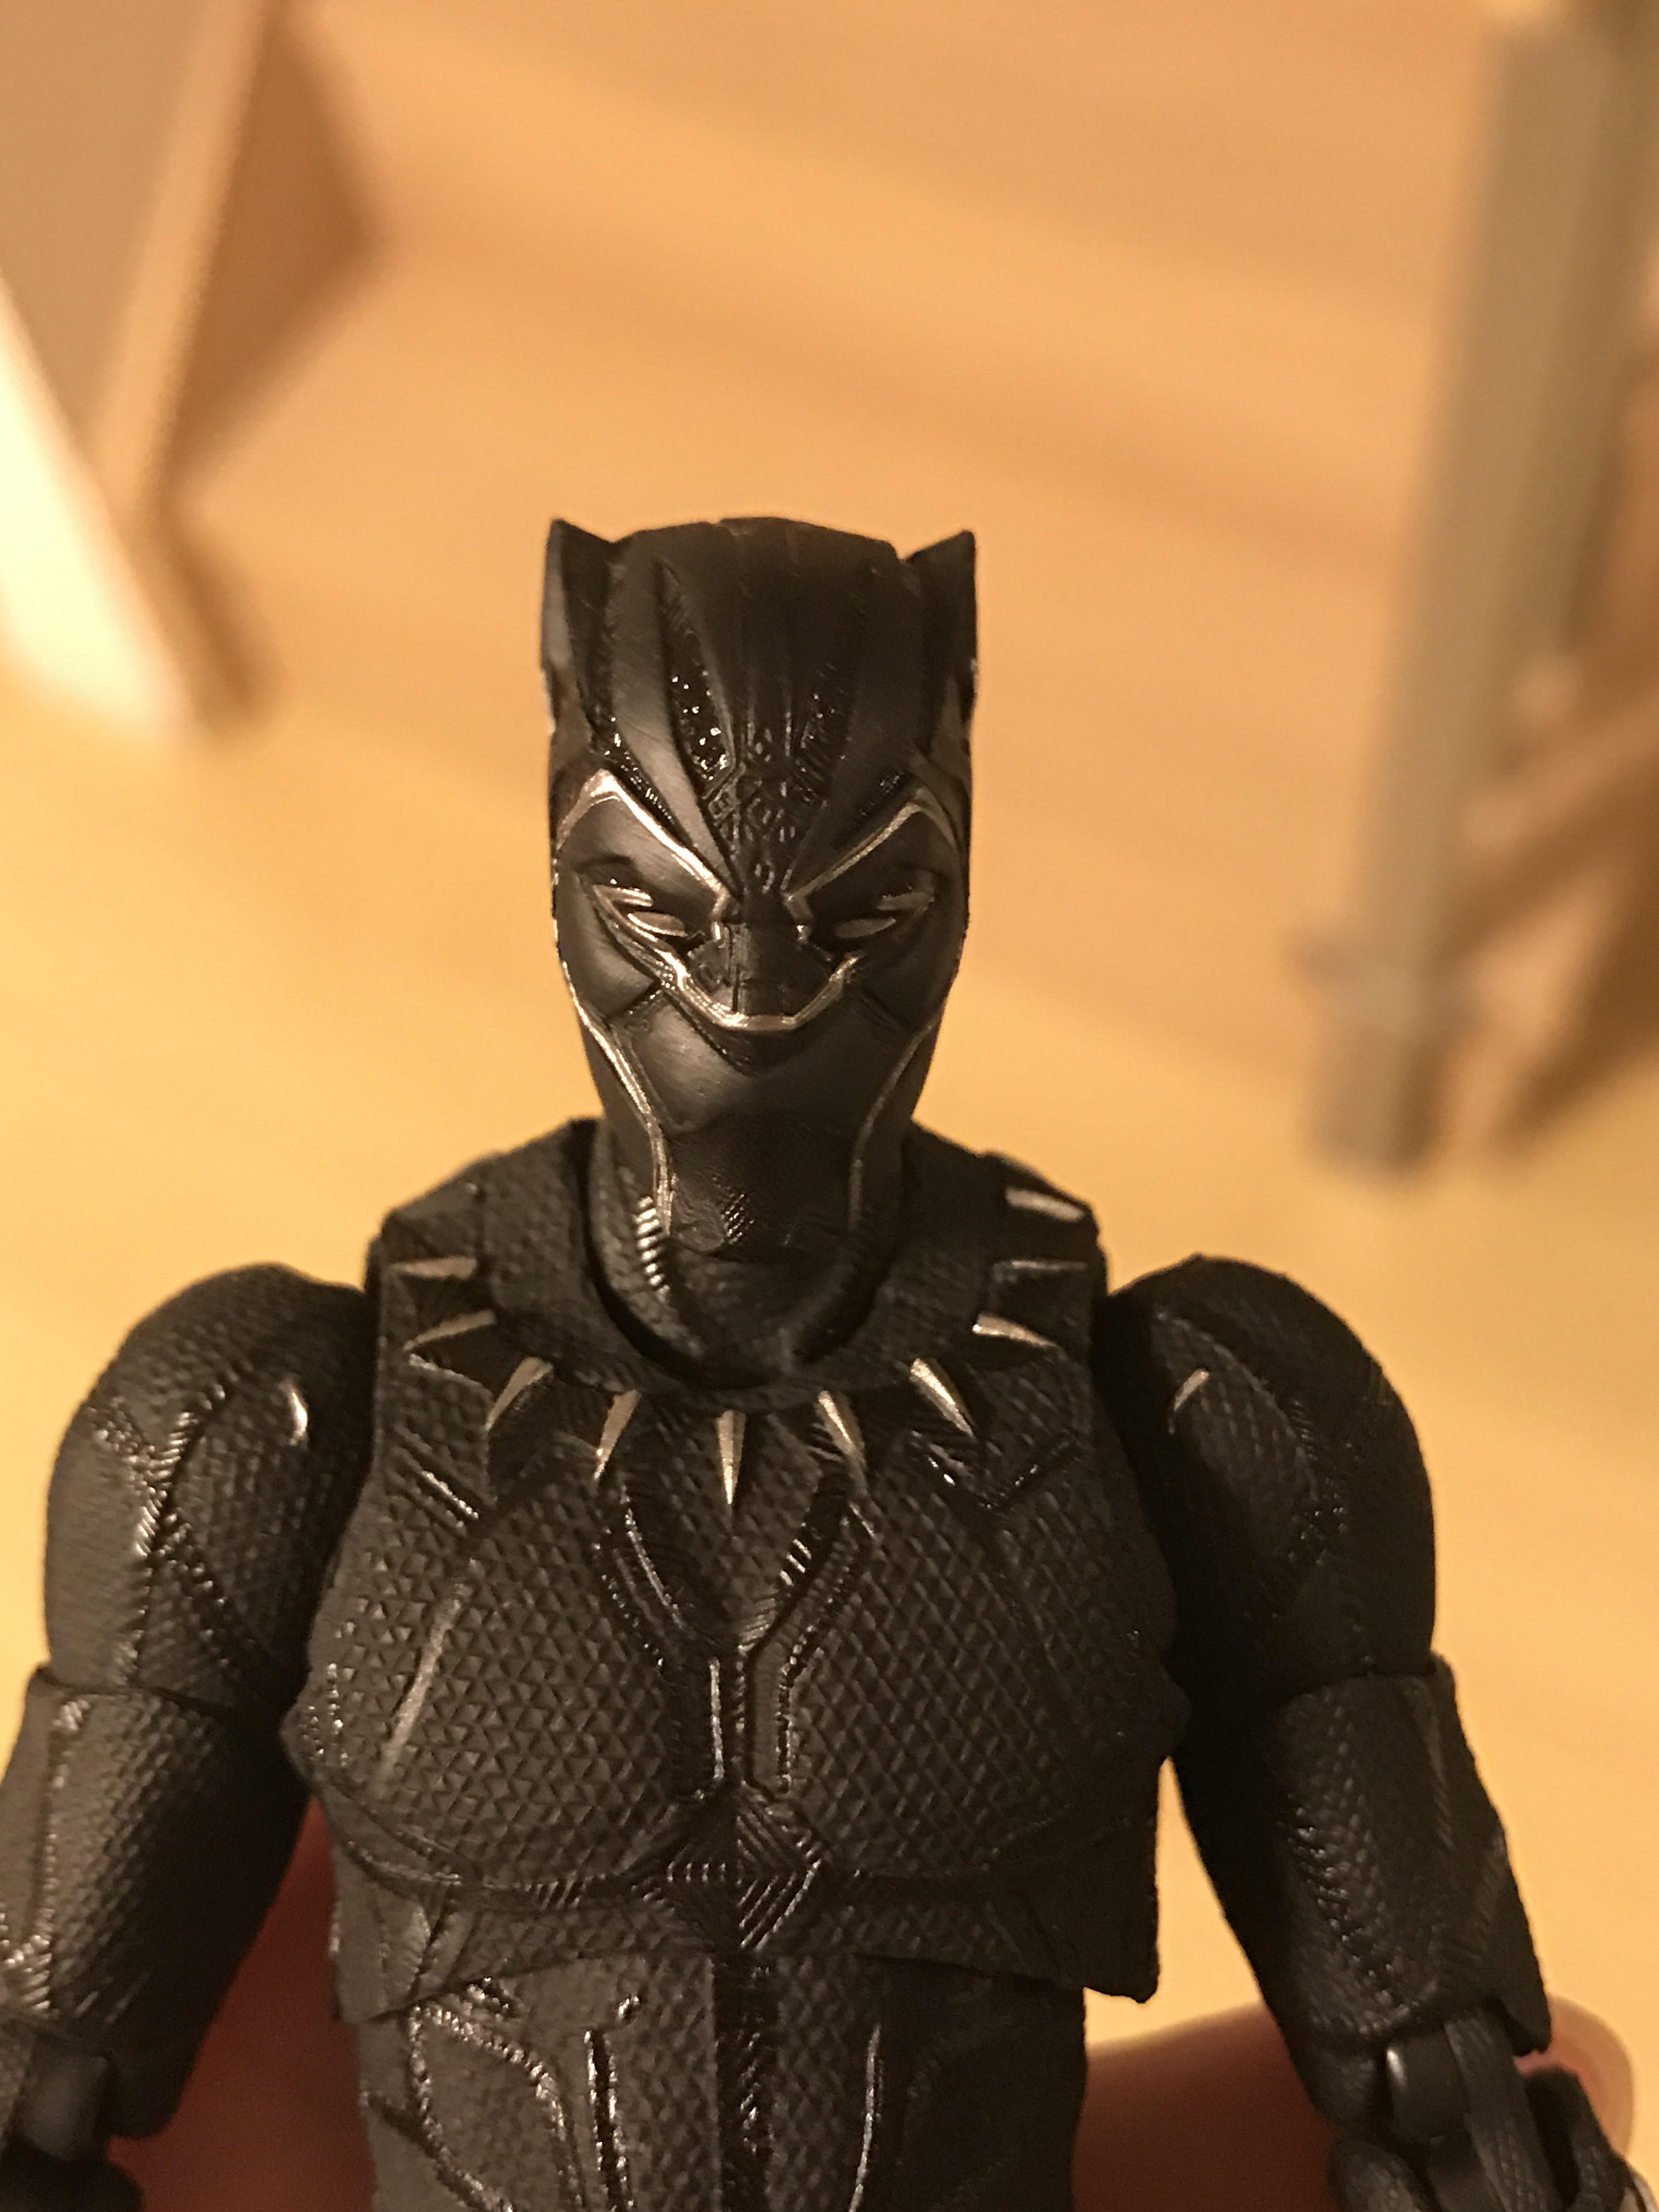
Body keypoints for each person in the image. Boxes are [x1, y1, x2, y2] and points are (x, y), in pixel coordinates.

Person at [0, 519, 1644, 2210]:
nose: (756, 989)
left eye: (862, 908)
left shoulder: (1198, 1419)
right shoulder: (269, 1423)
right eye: (661, 904)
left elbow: (1449, 2087)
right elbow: (38, 2061)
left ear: (954, 880)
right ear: (570, 871)